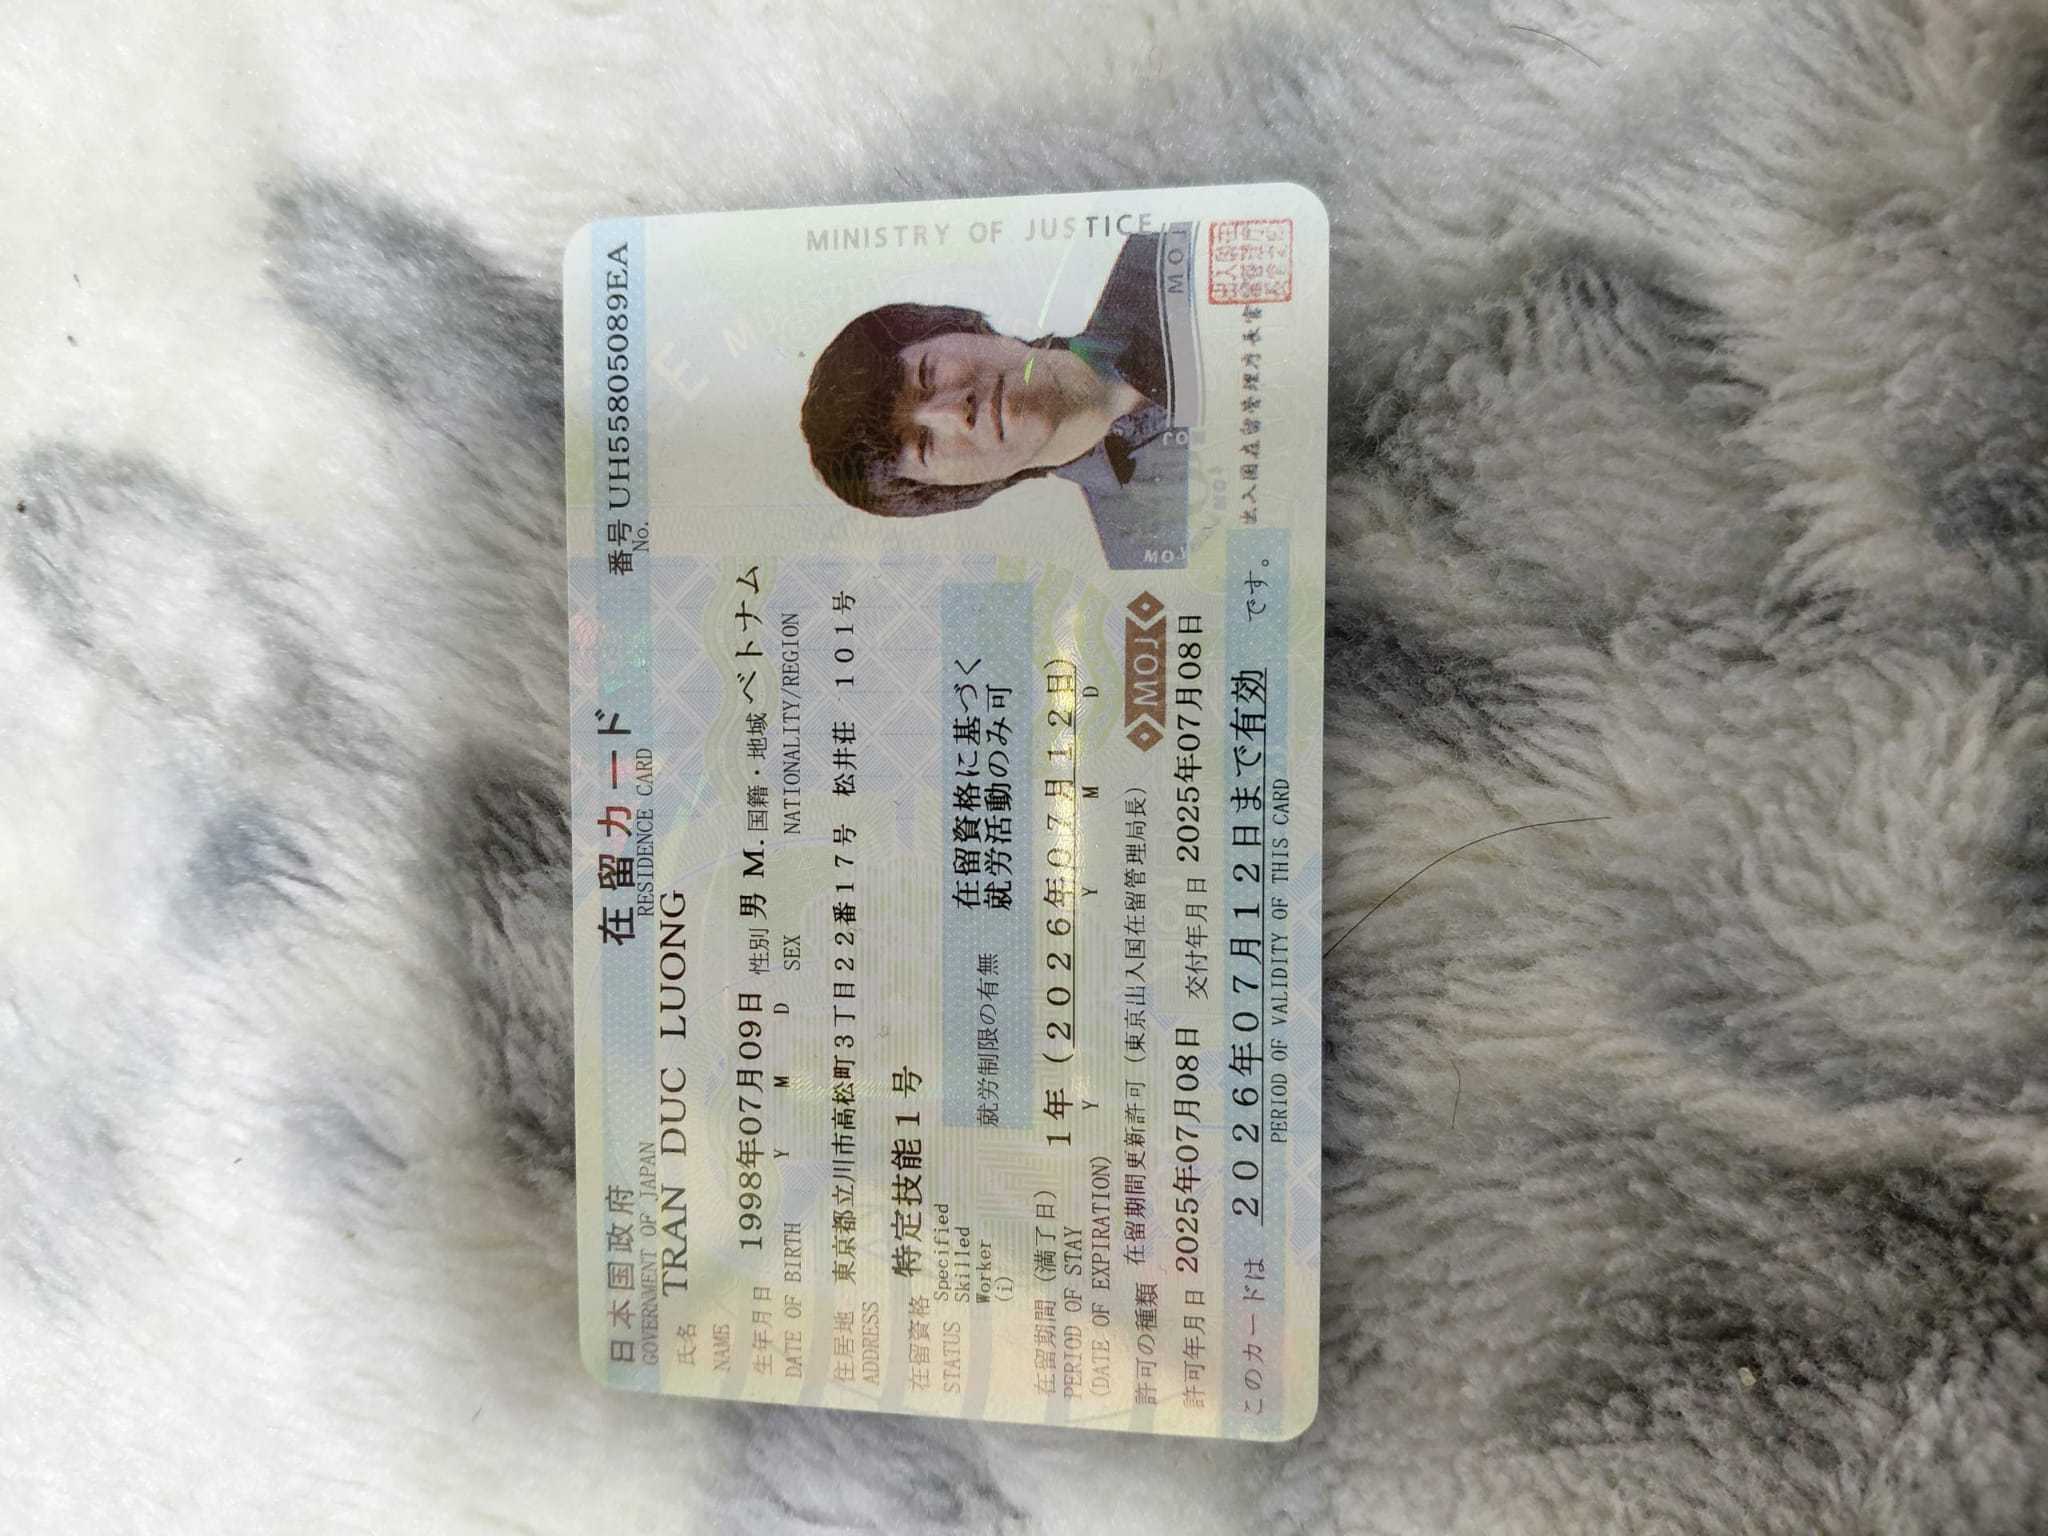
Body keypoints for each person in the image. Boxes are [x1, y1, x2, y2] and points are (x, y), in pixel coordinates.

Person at [800, 226, 1199, 568]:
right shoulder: (1145, 546)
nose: (954, 412)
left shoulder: (1165, 259)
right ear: (958, 489)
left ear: (961, 326)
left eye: (927, 374)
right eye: (924, 445)